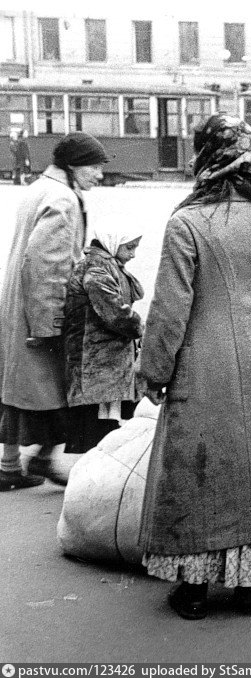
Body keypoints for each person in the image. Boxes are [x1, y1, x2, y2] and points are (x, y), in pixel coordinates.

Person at [138, 114, 251, 620]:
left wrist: (153, 372)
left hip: (201, 359)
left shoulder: (186, 223)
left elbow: (169, 310)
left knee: (198, 465)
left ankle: (193, 590)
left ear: (206, 159)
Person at [0, 132, 109, 491]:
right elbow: (48, 267)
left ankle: (10, 465)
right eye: (94, 167)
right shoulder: (62, 200)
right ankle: (42, 458)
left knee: (18, 391)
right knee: (55, 393)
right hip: (38, 311)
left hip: (18, 305)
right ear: (74, 166)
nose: (100, 175)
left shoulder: (40, 188)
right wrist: (49, 326)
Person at [63, 225, 144, 455]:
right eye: (129, 247)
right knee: (97, 426)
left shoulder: (103, 264)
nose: (133, 254)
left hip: (101, 359)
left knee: (102, 422)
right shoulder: (98, 267)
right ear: (113, 241)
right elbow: (114, 310)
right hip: (96, 359)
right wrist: (142, 328)